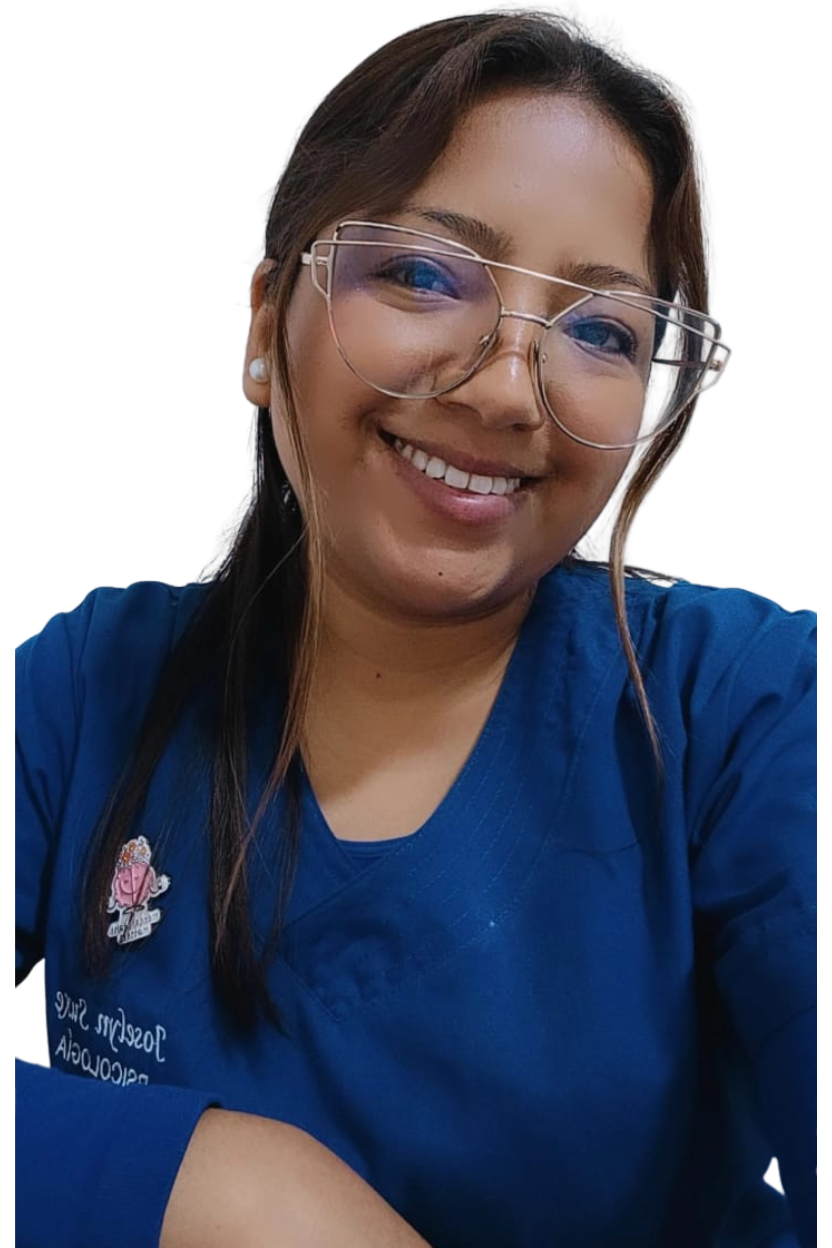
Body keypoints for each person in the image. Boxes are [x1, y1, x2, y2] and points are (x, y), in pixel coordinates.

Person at [16, 4, 816, 1247]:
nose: (505, 389)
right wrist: (228, 1186)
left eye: (600, 330)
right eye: (425, 274)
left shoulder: (745, 711)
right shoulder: (88, 687)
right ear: (265, 323)